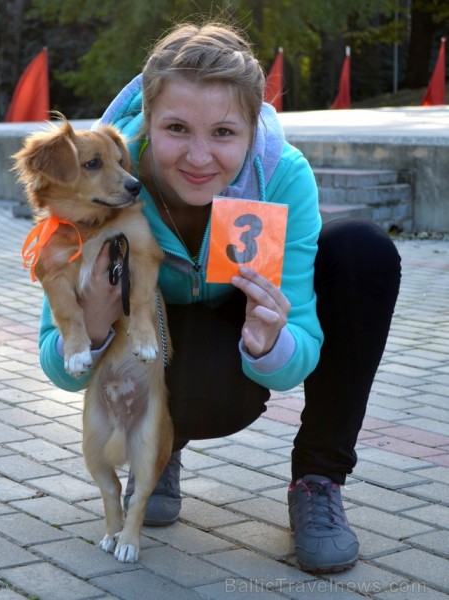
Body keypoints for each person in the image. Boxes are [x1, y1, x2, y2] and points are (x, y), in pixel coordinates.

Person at [38, 21, 401, 573]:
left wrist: (271, 342)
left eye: (225, 133)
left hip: (230, 330)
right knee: (171, 355)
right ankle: (157, 451)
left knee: (363, 251)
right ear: (146, 125)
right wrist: (90, 325)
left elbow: (292, 359)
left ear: (253, 129)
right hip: (156, 335)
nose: (199, 157)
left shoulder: (283, 176)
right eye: (177, 129)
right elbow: (59, 366)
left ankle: (318, 479)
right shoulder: (98, 179)